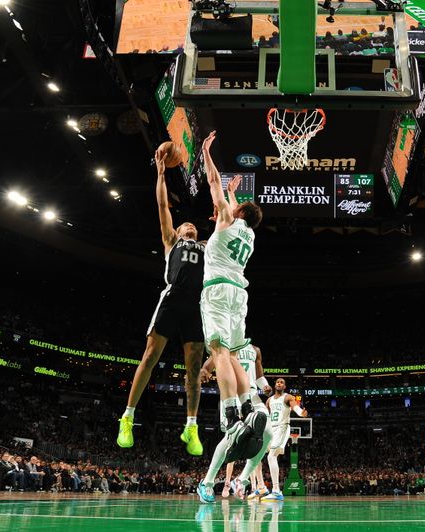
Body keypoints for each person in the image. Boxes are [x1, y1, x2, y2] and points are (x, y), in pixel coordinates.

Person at [117, 146, 206, 456]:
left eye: (193, 226)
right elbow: (162, 204)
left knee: (194, 370)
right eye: (186, 226)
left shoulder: (208, 247)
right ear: (178, 232)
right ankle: (127, 417)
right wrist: (160, 173)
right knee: (151, 356)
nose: (190, 226)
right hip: (172, 299)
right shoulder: (171, 242)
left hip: (197, 305)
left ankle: (191, 427)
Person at [193, 132, 265, 501]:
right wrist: (236, 194)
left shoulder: (225, 217)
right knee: (234, 354)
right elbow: (236, 211)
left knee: (219, 352)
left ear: (236, 212)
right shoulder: (249, 235)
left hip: (218, 290)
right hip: (240, 294)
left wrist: (207, 154)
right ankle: (249, 403)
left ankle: (229, 412)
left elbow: (211, 183)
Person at [198, 343, 273, 503]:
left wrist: (265, 386)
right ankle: (207, 483)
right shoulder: (224, 345)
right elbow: (209, 363)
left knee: (268, 433)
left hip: (252, 395)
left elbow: (259, 376)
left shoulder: (255, 349)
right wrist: (204, 371)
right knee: (230, 439)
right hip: (231, 395)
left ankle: (242, 479)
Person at [262, 377, 308, 501]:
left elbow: (295, 407)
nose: (279, 383)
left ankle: (276, 490)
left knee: (271, 457)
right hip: (271, 429)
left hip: (282, 428)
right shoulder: (269, 400)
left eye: (282, 382)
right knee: (258, 455)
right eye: (277, 382)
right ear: (274, 385)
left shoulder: (288, 397)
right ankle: (259, 487)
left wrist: (300, 413)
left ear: (284, 386)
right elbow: (266, 416)